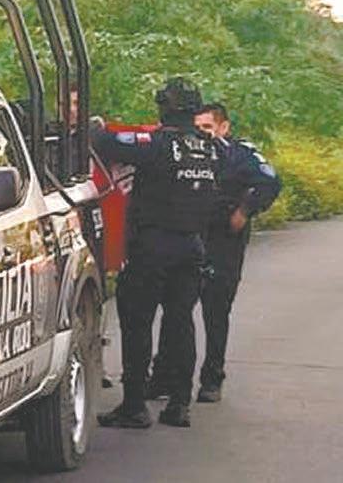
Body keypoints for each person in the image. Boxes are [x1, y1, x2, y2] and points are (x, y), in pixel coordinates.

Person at [92, 77, 221, 429]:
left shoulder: (158, 143)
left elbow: (103, 142)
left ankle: (134, 405)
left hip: (152, 246)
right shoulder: (210, 148)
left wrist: (96, 126)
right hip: (192, 246)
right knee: (181, 323)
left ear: (164, 106)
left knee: (137, 323)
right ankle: (179, 404)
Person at [147, 103, 281, 403]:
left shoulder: (239, 154)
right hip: (191, 234)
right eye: (197, 128)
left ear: (224, 127)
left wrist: (244, 211)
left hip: (224, 240)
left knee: (216, 310)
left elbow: (270, 181)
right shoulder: (183, 150)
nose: (202, 134)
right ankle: (163, 377)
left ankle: (212, 378)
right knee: (176, 309)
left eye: (207, 127)